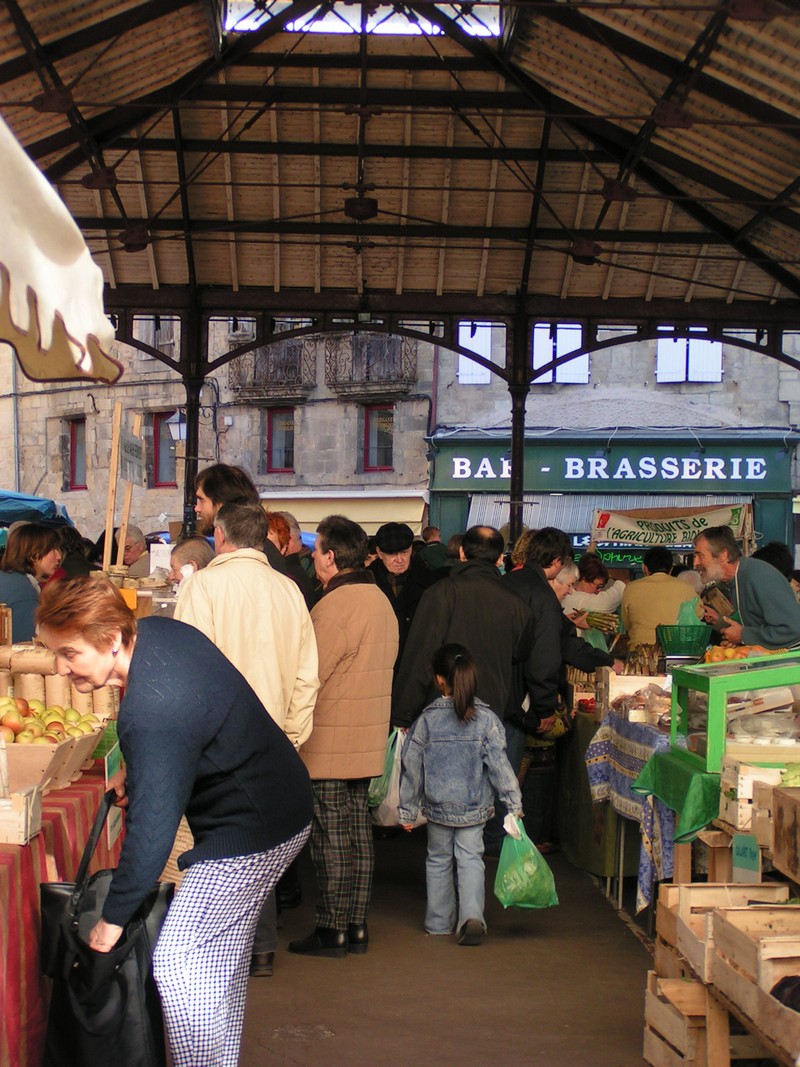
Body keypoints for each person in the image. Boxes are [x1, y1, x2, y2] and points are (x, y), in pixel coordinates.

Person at [36, 576, 313, 1067]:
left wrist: (110, 923)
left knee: (180, 963)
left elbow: (150, 838)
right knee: (216, 964)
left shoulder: (150, 710)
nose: (60, 668)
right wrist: (137, 769)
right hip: (281, 806)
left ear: (113, 639)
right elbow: (191, 727)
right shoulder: (158, 634)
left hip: (252, 831)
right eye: (54, 652)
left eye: (70, 654)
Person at [175, 502, 319, 978]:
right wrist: (293, 735)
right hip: (275, 734)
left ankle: (222, 948)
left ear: (219, 535)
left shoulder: (203, 586)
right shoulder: (290, 590)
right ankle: (261, 947)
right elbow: (306, 674)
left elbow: (190, 669)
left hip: (216, 737)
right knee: (260, 838)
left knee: (218, 840)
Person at [289, 515, 398, 959]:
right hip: (367, 736)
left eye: (316, 552)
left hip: (332, 741)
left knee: (332, 838)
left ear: (331, 557)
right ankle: (356, 925)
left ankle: (331, 928)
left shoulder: (335, 606)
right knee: (357, 834)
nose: (313, 559)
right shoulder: (379, 599)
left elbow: (309, 675)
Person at [398, 644, 523, 946]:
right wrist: (513, 803)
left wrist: (407, 809)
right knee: (470, 859)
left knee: (438, 859)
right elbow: (500, 766)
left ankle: (438, 922)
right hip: (473, 807)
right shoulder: (487, 720)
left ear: (440, 680)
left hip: (438, 807)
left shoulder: (427, 719)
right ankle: (472, 918)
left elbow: (411, 765)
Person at [694, 526, 800, 649]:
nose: (695, 563)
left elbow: (792, 629)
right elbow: (757, 624)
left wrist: (743, 636)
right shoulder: (737, 578)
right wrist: (721, 624)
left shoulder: (758, 576)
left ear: (723, 555)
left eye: (700, 555)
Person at [193, 463, 289, 576]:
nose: (197, 508)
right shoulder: (260, 550)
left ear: (221, 504)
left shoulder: (247, 556)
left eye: (202, 500)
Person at [368, 521, 440, 664]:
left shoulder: (430, 581)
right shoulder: (366, 583)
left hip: (417, 662)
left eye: (404, 552)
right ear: (379, 553)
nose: (399, 559)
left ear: (411, 550)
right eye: (392, 554)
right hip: (377, 661)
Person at [621, 545, 698, 647]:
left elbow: (627, 623)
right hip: (677, 650)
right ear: (670, 569)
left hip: (640, 652)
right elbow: (698, 616)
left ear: (645, 568)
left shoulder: (631, 588)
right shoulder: (687, 588)